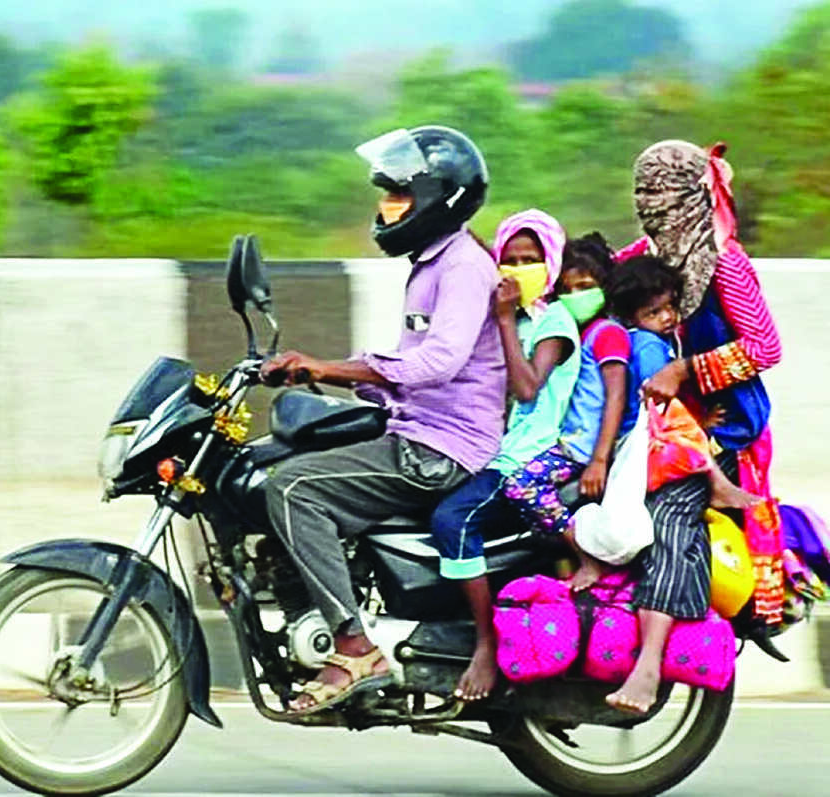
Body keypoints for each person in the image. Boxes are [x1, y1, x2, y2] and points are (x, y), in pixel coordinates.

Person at [260, 126, 505, 715]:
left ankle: (353, 648)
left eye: (396, 195)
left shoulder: (464, 267)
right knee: (280, 456)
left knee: (292, 490)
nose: (384, 207)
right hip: (418, 429)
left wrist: (342, 369)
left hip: (442, 449)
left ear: (436, 198)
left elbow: (438, 362)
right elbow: (412, 372)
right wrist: (327, 377)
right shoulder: (431, 264)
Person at [606, 140, 783, 714]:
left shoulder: (725, 261)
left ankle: (651, 665)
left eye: (662, 191)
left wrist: (688, 369)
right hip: (655, 425)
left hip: (721, 430)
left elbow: (765, 346)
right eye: (641, 191)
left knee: (670, 516)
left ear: (692, 194)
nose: (650, 203)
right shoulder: (645, 254)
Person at [430, 209, 580, 702]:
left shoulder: (553, 320)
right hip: (484, 447)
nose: (519, 269)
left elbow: (528, 386)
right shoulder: (506, 318)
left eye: (531, 259)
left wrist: (502, 319)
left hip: (525, 455)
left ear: (550, 263)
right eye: (510, 260)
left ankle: (485, 640)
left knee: (452, 520)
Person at [501, 232, 630, 591]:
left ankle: (588, 558)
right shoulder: (574, 331)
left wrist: (599, 460)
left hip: (582, 448)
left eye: (586, 286)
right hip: (568, 440)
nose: (576, 297)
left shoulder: (608, 334)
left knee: (521, 486)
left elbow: (614, 397)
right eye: (567, 289)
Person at [606, 254, 758, 510]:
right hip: (642, 436)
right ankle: (718, 487)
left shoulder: (660, 340)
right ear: (631, 318)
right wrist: (699, 425)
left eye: (670, 306)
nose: (667, 317)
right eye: (654, 312)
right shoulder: (648, 346)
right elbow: (661, 407)